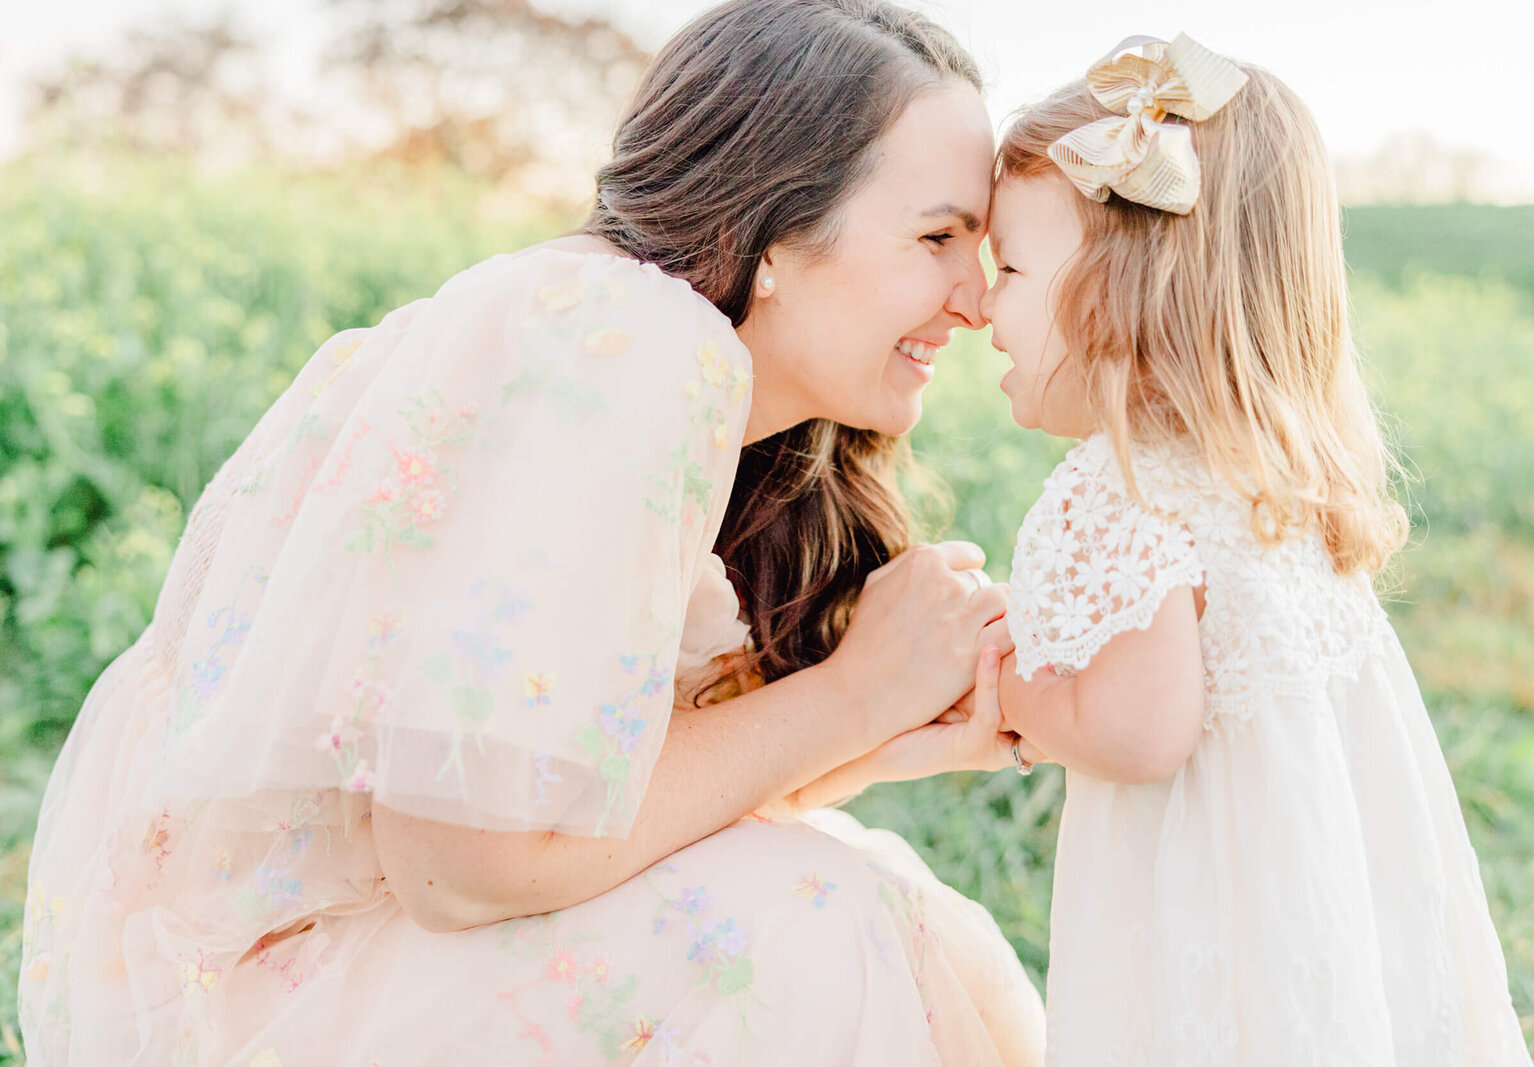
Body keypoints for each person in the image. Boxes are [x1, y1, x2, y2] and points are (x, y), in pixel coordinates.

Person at [18, 2, 1046, 1063]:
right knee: (818, 916)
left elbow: (567, 798)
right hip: (278, 993)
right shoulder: (625, 349)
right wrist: (848, 692)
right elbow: (465, 861)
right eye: (936, 238)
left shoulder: (616, 342)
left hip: (335, 958)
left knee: (870, 898)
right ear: (777, 230)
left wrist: (874, 730)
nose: (975, 299)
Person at [973, 32, 1533, 1065]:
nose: (981, 308)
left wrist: (1010, 685)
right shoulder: (1263, 478)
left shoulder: (1125, 487)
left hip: (1210, 907)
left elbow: (1139, 731)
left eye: (1006, 266)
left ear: (1114, 292)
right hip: (1328, 890)